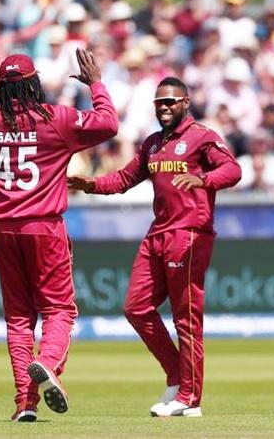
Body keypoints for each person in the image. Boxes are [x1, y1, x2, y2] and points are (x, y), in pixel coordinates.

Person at [0, 49, 118, 421]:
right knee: (59, 309)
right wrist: (97, 84)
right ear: (35, 83)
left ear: (1, 88)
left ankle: (25, 403)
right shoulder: (56, 119)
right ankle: (48, 363)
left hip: (3, 229)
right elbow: (108, 124)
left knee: (19, 317)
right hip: (44, 227)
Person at [68, 77, 241, 417]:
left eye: (170, 102)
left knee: (186, 318)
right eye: (159, 103)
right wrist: (89, 184)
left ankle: (190, 398)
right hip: (158, 234)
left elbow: (232, 170)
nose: (163, 107)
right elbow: (123, 179)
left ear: (186, 103)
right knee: (136, 307)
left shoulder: (202, 137)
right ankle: (178, 376)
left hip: (189, 233)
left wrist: (203, 179)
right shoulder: (152, 144)